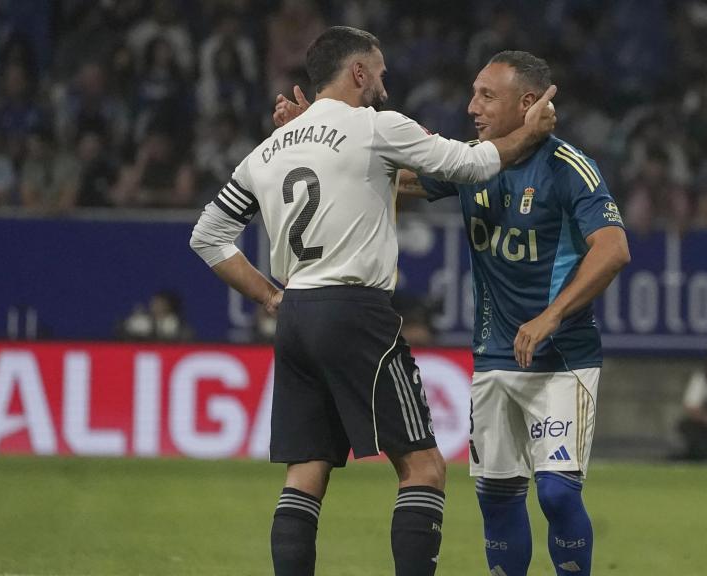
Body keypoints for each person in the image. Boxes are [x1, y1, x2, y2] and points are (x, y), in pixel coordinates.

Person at [192, 27, 557, 576]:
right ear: (358, 72)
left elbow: (208, 235)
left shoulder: (267, 150)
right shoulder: (374, 127)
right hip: (355, 312)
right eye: (380, 71)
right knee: (424, 468)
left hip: (295, 316)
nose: (385, 83)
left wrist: (270, 295)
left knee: (306, 472)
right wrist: (527, 135)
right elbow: (470, 164)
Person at [275, 50, 629, 576]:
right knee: (498, 496)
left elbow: (613, 250)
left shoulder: (567, 167)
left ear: (527, 103)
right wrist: (313, 127)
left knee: (555, 494)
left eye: (487, 95)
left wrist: (550, 316)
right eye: (473, 93)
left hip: (563, 357)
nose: (472, 107)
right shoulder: (473, 162)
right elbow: (386, 174)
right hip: (493, 357)